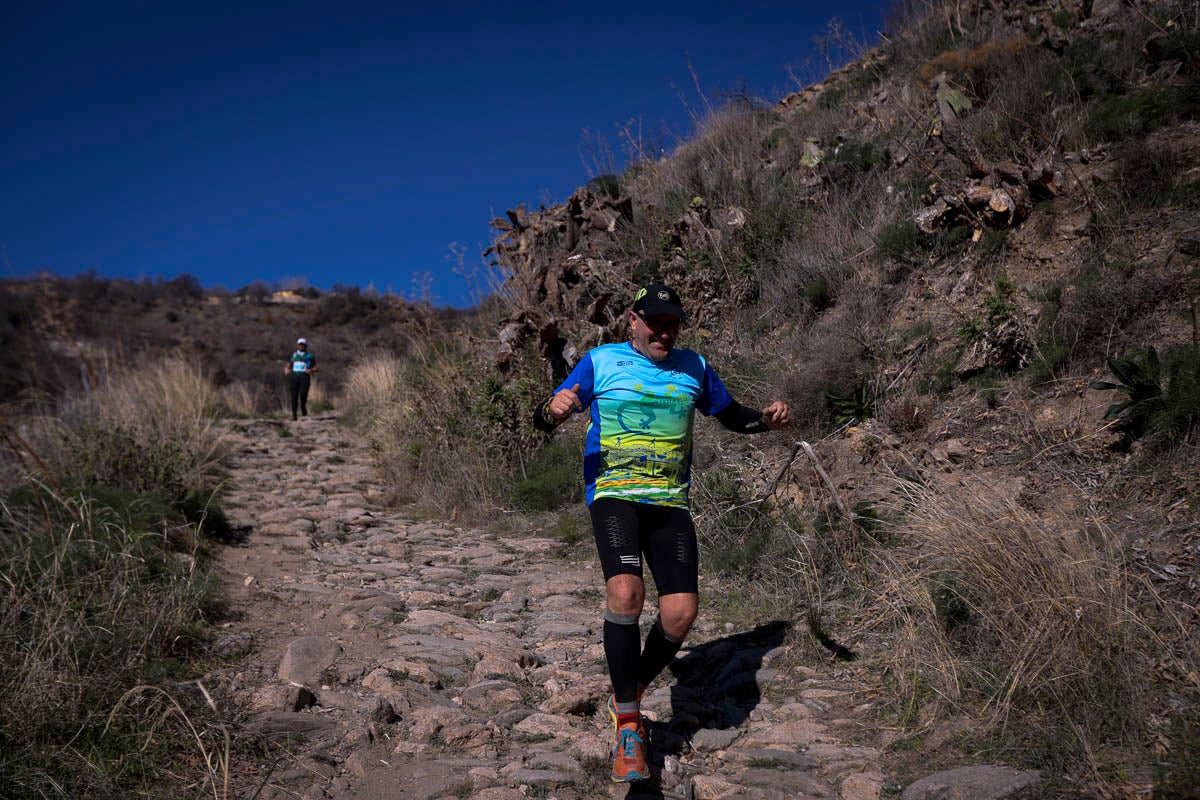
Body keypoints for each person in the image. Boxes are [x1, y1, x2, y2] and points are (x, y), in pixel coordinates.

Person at [532, 284, 790, 783]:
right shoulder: (601, 361)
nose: (665, 332)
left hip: (669, 502)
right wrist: (553, 411)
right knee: (626, 593)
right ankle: (629, 724)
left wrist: (765, 421)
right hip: (614, 494)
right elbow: (546, 415)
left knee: (681, 612)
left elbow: (731, 416)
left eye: (674, 324)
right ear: (633, 320)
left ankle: (625, 688)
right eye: (656, 322)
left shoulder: (694, 367)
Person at [286, 337, 317, 420]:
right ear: (297, 345)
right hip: (294, 376)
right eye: (300, 345)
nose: (301, 346)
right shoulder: (293, 355)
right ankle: (294, 415)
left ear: (305, 346)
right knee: (294, 396)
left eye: (303, 345)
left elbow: (316, 368)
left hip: (304, 377)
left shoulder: (310, 356)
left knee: (303, 395)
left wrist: (310, 370)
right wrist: (287, 369)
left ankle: (303, 407)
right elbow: (289, 364)